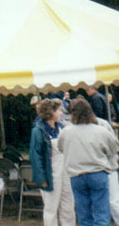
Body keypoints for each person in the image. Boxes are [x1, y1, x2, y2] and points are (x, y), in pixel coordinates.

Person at [58, 97, 119, 226]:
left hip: (77, 175)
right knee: (101, 213)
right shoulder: (101, 131)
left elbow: (61, 148)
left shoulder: (65, 132)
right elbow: (113, 149)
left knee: (83, 214)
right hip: (98, 173)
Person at [30, 98, 76, 226]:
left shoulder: (62, 127)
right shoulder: (38, 130)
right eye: (59, 111)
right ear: (50, 112)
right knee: (51, 207)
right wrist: (42, 179)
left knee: (68, 205)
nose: (61, 113)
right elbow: (35, 156)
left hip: (66, 170)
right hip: (51, 172)